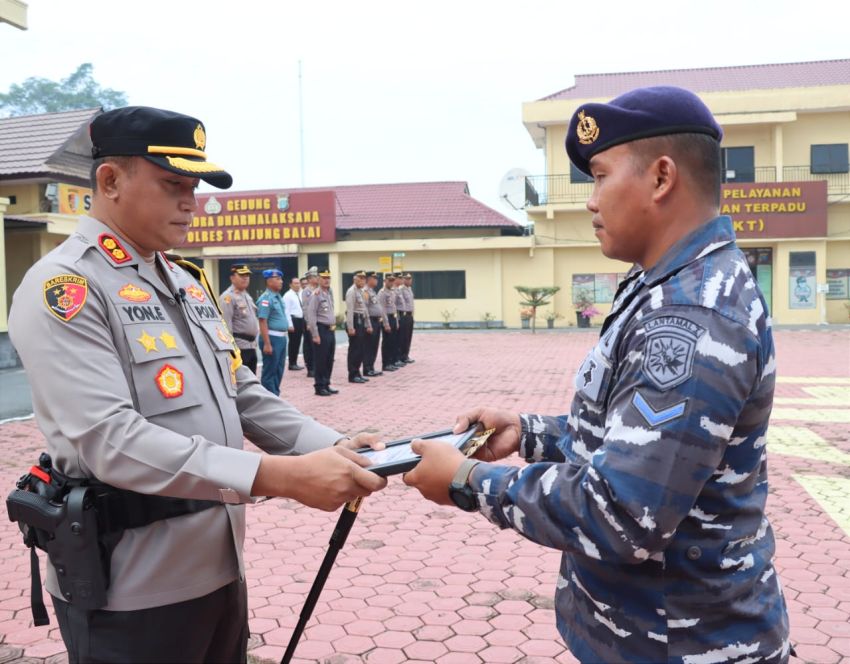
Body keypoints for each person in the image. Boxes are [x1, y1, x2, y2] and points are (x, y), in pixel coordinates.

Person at [404, 87, 791, 663]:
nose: (590, 201)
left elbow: (623, 513)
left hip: (681, 643)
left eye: (601, 175)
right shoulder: (663, 285)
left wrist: (467, 482)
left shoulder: (692, 316)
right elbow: (634, 438)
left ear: (661, 178)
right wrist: (529, 432)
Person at [7, 106, 387, 664]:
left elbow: (241, 390)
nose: (192, 202)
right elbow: (109, 439)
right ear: (110, 181)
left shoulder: (183, 280)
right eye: (174, 185)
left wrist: (329, 446)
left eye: (196, 187)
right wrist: (279, 477)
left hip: (216, 566)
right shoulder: (66, 287)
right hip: (131, 586)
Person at [256, 268, 292, 396]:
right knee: (269, 372)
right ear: (269, 281)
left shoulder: (278, 297)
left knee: (278, 370)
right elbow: (262, 321)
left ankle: (275, 395)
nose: (281, 282)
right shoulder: (265, 299)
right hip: (272, 338)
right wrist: (267, 343)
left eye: (281, 279)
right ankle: (268, 399)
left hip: (281, 338)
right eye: (277, 279)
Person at [220, 264, 259, 375]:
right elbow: (226, 325)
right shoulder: (227, 297)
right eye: (241, 275)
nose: (245, 278)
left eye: (247, 275)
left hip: (251, 346)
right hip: (239, 347)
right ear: (232, 278)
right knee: (241, 382)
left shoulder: (246, 295)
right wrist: (232, 350)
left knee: (252, 381)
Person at [307, 269, 338, 396]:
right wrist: (315, 335)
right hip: (321, 330)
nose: (326, 280)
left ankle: (326, 383)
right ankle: (319, 386)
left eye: (328, 277)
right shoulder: (316, 294)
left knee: (329, 359)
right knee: (321, 359)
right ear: (318, 279)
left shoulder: (328, 293)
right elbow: (311, 315)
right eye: (324, 277)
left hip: (330, 330)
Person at [345, 270, 372, 384]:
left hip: (361, 320)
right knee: (354, 349)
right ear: (354, 279)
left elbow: (365, 309)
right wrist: (350, 327)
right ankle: (352, 374)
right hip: (355, 321)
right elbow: (350, 310)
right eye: (360, 278)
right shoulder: (351, 291)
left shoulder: (361, 291)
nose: (362, 280)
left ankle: (358, 372)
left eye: (364, 278)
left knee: (361, 349)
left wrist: (368, 324)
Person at [378, 273, 400, 372]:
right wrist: (386, 324)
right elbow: (382, 309)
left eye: (392, 280)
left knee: (392, 342)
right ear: (385, 281)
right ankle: (385, 364)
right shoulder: (382, 293)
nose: (391, 282)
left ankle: (391, 362)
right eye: (389, 280)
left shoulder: (392, 292)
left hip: (393, 318)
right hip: (387, 319)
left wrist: (396, 322)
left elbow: (394, 308)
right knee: (387, 343)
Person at [363, 271, 384, 377]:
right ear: (368, 279)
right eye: (374, 278)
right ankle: (367, 368)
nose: (376, 280)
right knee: (369, 346)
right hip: (371, 320)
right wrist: (368, 324)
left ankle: (371, 367)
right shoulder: (366, 291)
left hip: (377, 321)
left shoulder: (372, 291)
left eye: (377, 278)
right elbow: (365, 308)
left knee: (374, 345)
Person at [283, 276, 305, 371]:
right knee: (294, 343)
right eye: (295, 283)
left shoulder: (300, 294)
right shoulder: (287, 295)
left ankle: (295, 362)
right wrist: (290, 324)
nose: (298, 285)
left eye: (298, 283)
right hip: (293, 320)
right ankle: (292, 363)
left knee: (299, 342)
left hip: (301, 320)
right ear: (290, 285)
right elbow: (286, 311)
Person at [301, 269, 319, 378]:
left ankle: (316, 366)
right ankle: (310, 368)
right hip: (309, 321)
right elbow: (305, 308)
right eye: (315, 277)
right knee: (309, 346)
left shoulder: (319, 289)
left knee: (317, 346)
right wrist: (308, 322)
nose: (317, 278)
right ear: (310, 279)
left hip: (318, 320)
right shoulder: (306, 291)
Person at [398, 272, 415, 363]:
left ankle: (406, 355)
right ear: (403, 279)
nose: (409, 280)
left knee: (408, 336)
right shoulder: (400, 289)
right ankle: (401, 356)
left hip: (409, 315)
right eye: (406, 279)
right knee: (403, 337)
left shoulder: (410, 289)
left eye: (410, 279)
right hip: (403, 315)